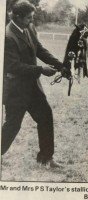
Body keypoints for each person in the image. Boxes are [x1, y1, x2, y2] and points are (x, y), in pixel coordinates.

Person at [1, 0, 68, 168]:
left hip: (33, 88)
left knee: (45, 116)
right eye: (28, 18)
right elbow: (13, 66)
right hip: (16, 90)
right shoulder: (7, 36)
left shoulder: (29, 28)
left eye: (32, 17)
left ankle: (46, 158)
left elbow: (40, 49)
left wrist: (61, 66)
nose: (31, 21)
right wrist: (41, 70)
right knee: (12, 126)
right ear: (16, 16)